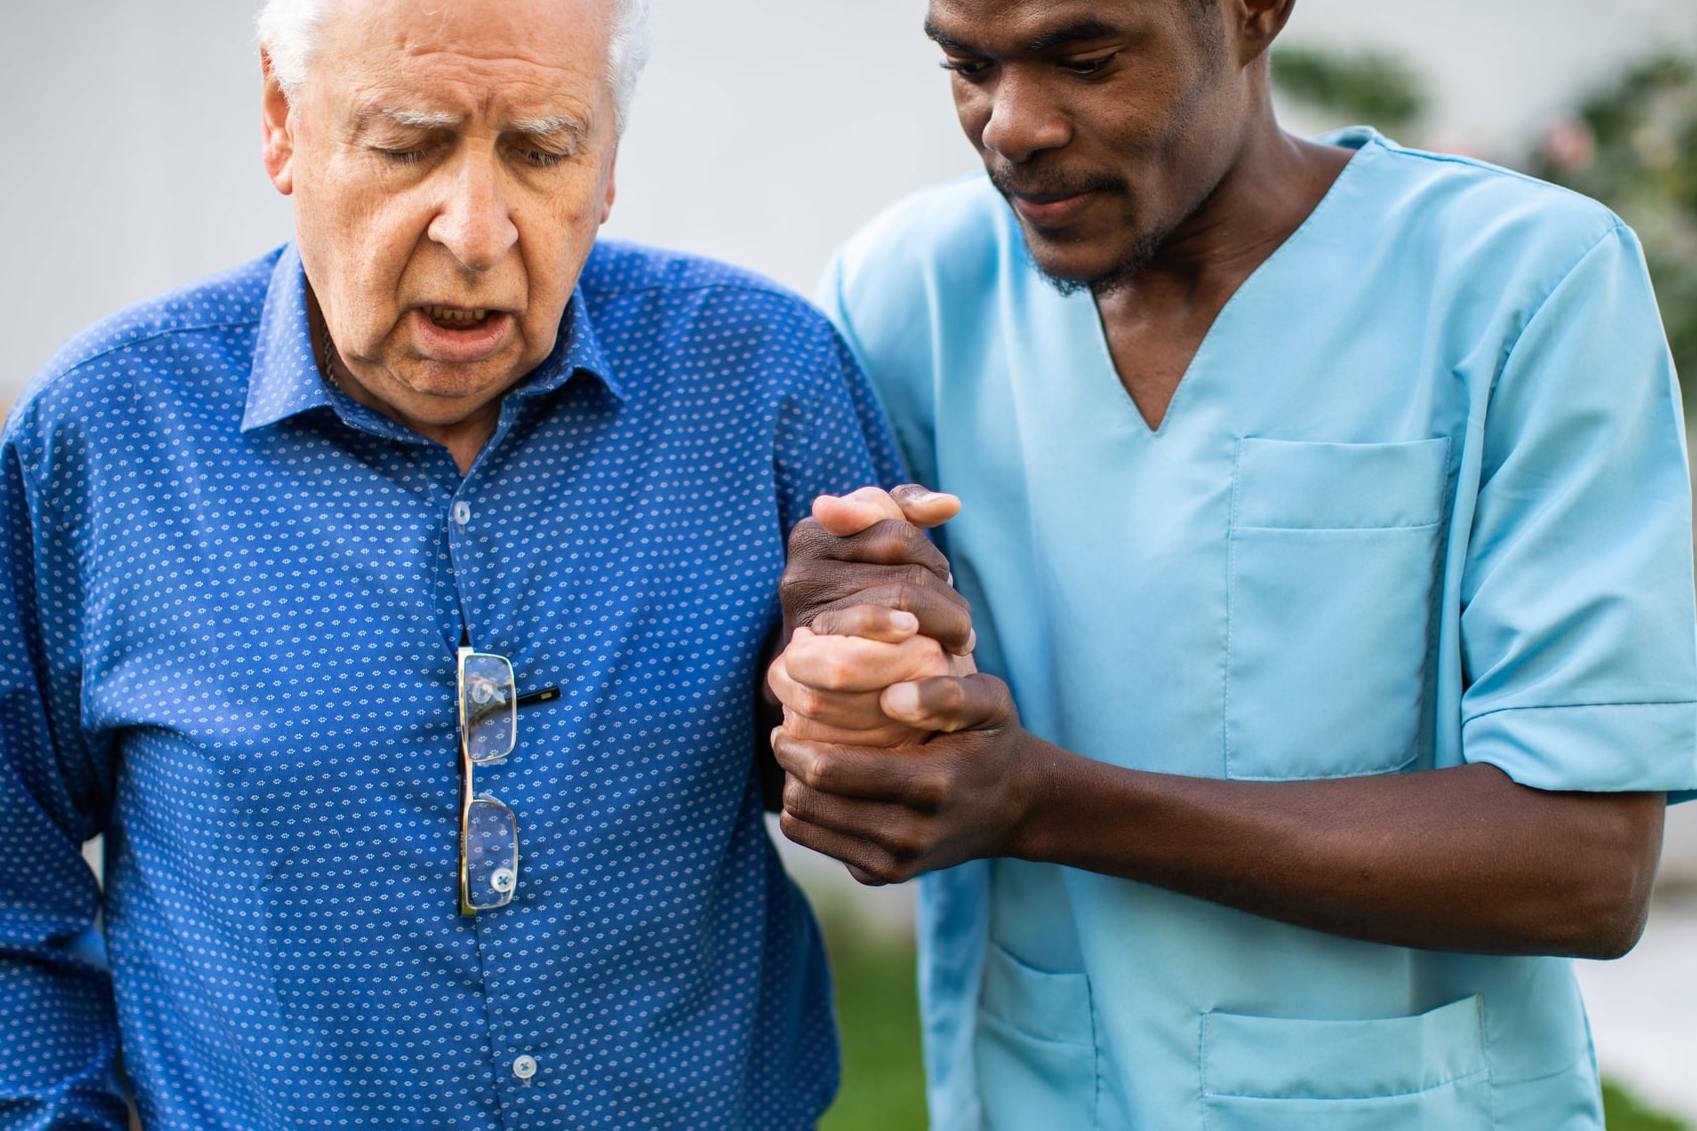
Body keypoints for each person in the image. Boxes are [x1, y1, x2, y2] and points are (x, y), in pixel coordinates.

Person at [767, 0, 1697, 1128]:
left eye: (1085, 59)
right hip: (1043, 1093)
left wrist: (1041, 803)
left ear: (1253, 12)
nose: (1009, 126)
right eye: (967, 65)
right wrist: (844, 663)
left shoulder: (1522, 283)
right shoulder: (904, 292)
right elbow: (804, 732)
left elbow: (1582, 867)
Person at [0, 0, 903, 1126]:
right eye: (408, 144)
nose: (475, 231)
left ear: (609, 161)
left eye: (540, 151)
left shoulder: (762, 379)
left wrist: (880, 721)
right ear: (283, 122)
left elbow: (892, 783)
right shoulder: (108, 434)